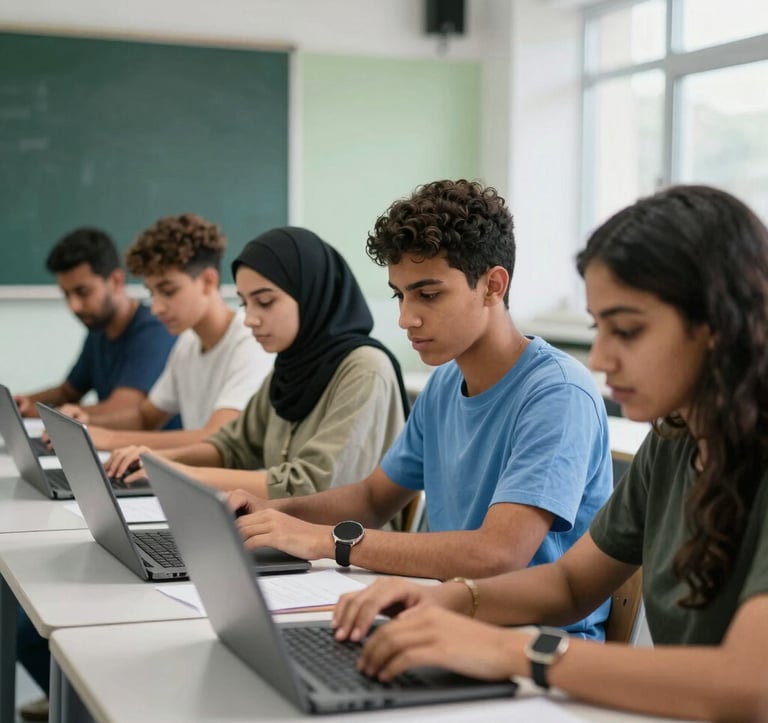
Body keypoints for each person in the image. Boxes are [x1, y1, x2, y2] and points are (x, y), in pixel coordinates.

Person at [330, 185, 768, 723]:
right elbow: (569, 583)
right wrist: (447, 601)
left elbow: (749, 686)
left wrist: (510, 651)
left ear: (720, 325)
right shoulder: (673, 439)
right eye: (598, 328)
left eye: (627, 330)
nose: (603, 358)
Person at [224, 180, 613, 640]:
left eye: (428, 295)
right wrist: (271, 514)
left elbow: (498, 554)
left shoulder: (557, 394)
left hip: (534, 645)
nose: (406, 318)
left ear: (492, 286)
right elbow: (372, 499)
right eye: (400, 295)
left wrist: (331, 541)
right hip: (445, 621)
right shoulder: (446, 382)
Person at [106, 226, 409, 500]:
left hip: (346, 549)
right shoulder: (291, 366)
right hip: (289, 533)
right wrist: (162, 460)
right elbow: (232, 446)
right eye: (244, 303)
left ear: (310, 294)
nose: (250, 319)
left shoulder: (365, 369)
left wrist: (179, 474)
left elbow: (312, 485)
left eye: (265, 302)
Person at [59, 213, 273, 450]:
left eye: (168, 291)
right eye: (152, 293)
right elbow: (146, 417)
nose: (157, 307)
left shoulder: (251, 342)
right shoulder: (188, 343)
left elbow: (217, 437)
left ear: (207, 281)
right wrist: (88, 423)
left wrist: (109, 439)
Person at [13, 227, 176, 420]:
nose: (73, 306)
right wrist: (20, 403)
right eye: (66, 294)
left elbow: (123, 409)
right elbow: (68, 392)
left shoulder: (155, 329)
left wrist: (40, 413)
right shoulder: (99, 329)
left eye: (82, 292)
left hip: (153, 448)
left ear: (116, 281)